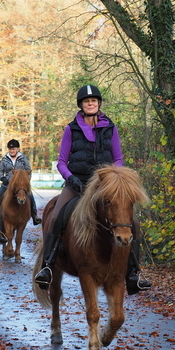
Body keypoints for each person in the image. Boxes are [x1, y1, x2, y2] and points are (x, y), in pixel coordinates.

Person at [33, 84, 152, 295]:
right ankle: (47, 267)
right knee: (56, 216)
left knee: (132, 222)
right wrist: (71, 178)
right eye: (87, 101)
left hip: (104, 186)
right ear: (81, 105)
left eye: (94, 101)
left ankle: (133, 274)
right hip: (77, 183)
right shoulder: (71, 129)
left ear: (99, 104)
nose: (90, 104)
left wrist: (114, 179)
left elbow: (118, 158)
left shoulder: (110, 128)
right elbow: (61, 161)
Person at [0, 139, 42, 226]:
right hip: (7, 184)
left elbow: (28, 170)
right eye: (10, 149)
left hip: (21, 185)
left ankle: (34, 216)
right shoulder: (5, 159)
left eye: (14, 149)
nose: (12, 151)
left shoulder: (23, 158)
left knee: (30, 196)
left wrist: (25, 182)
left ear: (17, 149)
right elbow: (0, 171)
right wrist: (2, 178)